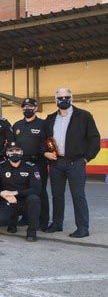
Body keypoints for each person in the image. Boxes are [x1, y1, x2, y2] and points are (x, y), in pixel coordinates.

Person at [43, 88, 101, 238]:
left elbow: (94, 139)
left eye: (66, 97)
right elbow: (43, 139)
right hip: (56, 163)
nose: (63, 99)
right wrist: (45, 152)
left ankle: (82, 227)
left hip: (76, 162)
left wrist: (86, 158)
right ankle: (57, 223)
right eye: (60, 97)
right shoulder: (50, 118)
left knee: (78, 195)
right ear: (55, 100)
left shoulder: (84, 116)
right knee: (57, 195)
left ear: (71, 98)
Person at [0, 142, 41, 241]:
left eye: (17, 150)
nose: (14, 153)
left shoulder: (31, 166)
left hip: (23, 201)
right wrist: (3, 193)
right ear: (7, 153)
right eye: (11, 151)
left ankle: (31, 232)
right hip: (6, 201)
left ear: (22, 152)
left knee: (34, 199)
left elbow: (37, 188)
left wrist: (15, 193)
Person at [12, 98, 50, 230]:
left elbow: (48, 143)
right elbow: (13, 145)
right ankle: (26, 217)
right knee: (23, 190)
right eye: (24, 107)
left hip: (38, 162)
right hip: (22, 163)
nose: (27, 109)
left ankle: (43, 220)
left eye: (30, 106)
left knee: (40, 191)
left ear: (35, 108)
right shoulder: (17, 125)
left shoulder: (43, 124)